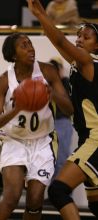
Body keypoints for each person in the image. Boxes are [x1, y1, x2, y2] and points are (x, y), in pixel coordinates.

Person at [0, 32, 73, 220]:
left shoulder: (48, 72)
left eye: (30, 43)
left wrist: (52, 94)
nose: (30, 48)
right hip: (14, 140)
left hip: (43, 141)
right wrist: (17, 108)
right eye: (24, 46)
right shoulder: (3, 81)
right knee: (11, 198)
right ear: (13, 55)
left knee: (35, 200)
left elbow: (69, 110)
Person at [27, 0, 98, 219]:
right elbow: (58, 42)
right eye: (78, 35)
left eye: (86, 37)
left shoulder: (88, 62)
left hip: (95, 140)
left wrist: (40, 13)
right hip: (88, 139)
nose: (78, 39)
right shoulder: (82, 64)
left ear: (97, 46)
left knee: (58, 191)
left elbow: (59, 39)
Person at [49, 57, 73, 177]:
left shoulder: (66, 83)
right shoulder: (48, 84)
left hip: (62, 122)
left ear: (60, 69)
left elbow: (70, 107)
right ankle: (54, 193)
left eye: (55, 67)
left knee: (61, 160)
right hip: (50, 124)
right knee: (51, 160)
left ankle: (60, 193)